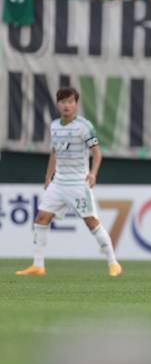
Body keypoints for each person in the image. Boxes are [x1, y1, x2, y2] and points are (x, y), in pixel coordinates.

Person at [15, 87, 122, 277]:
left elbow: (97, 153)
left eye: (71, 102)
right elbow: (55, 152)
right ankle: (38, 266)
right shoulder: (54, 125)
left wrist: (93, 174)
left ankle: (113, 263)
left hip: (78, 184)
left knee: (91, 222)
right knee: (41, 219)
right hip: (58, 183)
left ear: (76, 104)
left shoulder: (84, 126)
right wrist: (49, 176)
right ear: (58, 104)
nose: (67, 105)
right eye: (63, 102)